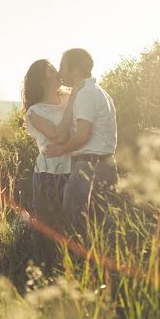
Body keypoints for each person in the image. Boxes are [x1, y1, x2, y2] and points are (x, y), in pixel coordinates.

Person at [45, 48, 117, 231]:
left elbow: (83, 135)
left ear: (75, 69)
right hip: (104, 165)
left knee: (74, 228)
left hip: (89, 167)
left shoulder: (86, 93)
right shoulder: (97, 92)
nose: (59, 72)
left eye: (62, 67)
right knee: (99, 229)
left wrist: (60, 150)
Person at [22, 59, 76, 229]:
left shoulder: (70, 97)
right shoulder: (35, 112)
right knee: (50, 228)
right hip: (49, 175)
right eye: (52, 70)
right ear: (42, 80)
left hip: (76, 169)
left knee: (74, 226)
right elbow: (57, 136)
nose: (58, 72)